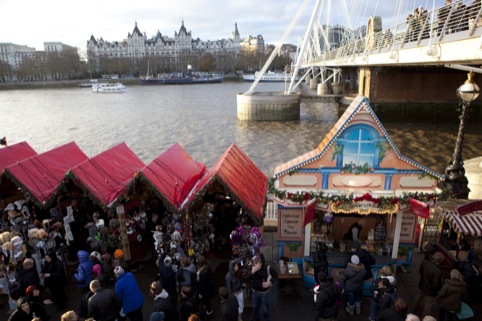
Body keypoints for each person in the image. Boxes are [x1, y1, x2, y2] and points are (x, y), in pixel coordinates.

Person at [413, 251, 444, 318]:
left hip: (422, 284)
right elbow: (435, 284)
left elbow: (420, 271)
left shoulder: (424, 262)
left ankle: (413, 307)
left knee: (418, 296)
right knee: (428, 304)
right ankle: (425, 317)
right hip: (430, 290)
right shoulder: (438, 271)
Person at [248, 254, 277, 321]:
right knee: (255, 307)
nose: (255, 266)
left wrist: (269, 282)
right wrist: (252, 271)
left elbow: (275, 275)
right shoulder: (252, 268)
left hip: (264, 293)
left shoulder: (267, 268)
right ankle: (256, 318)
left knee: (265, 308)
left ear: (261, 263)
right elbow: (246, 277)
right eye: (254, 264)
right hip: (255, 292)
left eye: (257, 264)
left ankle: (266, 319)